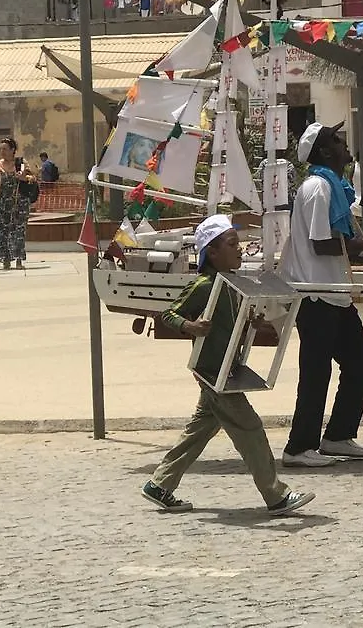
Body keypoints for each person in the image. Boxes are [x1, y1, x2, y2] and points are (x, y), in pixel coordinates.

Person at [141, 214, 313, 516]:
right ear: (213, 252)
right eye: (232, 244)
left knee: (200, 430)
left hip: (227, 370)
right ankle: (276, 496)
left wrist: (251, 323)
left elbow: (232, 323)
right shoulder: (204, 285)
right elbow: (168, 315)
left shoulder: (233, 285)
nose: (240, 250)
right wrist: (191, 326)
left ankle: (160, 484)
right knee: (250, 428)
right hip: (213, 372)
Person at [279, 122, 363, 466]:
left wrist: (357, 247)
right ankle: (298, 447)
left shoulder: (332, 187)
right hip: (315, 292)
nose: (343, 143)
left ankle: (337, 436)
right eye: (335, 140)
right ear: (323, 152)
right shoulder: (319, 187)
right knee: (316, 370)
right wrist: (357, 245)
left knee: (359, 360)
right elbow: (322, 243)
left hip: (334, 291)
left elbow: (333, 241)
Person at [0, 137, 35, 271]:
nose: (2, 152)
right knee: (3, 231)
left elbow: (33, 178)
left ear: (13, 150)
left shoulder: (21, 162)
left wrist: (24, 177)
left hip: (20, 202)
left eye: (5, 149)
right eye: (1, 149)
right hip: (4, 202)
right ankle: (6, 259)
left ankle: (19, 259)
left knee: (19, 231)